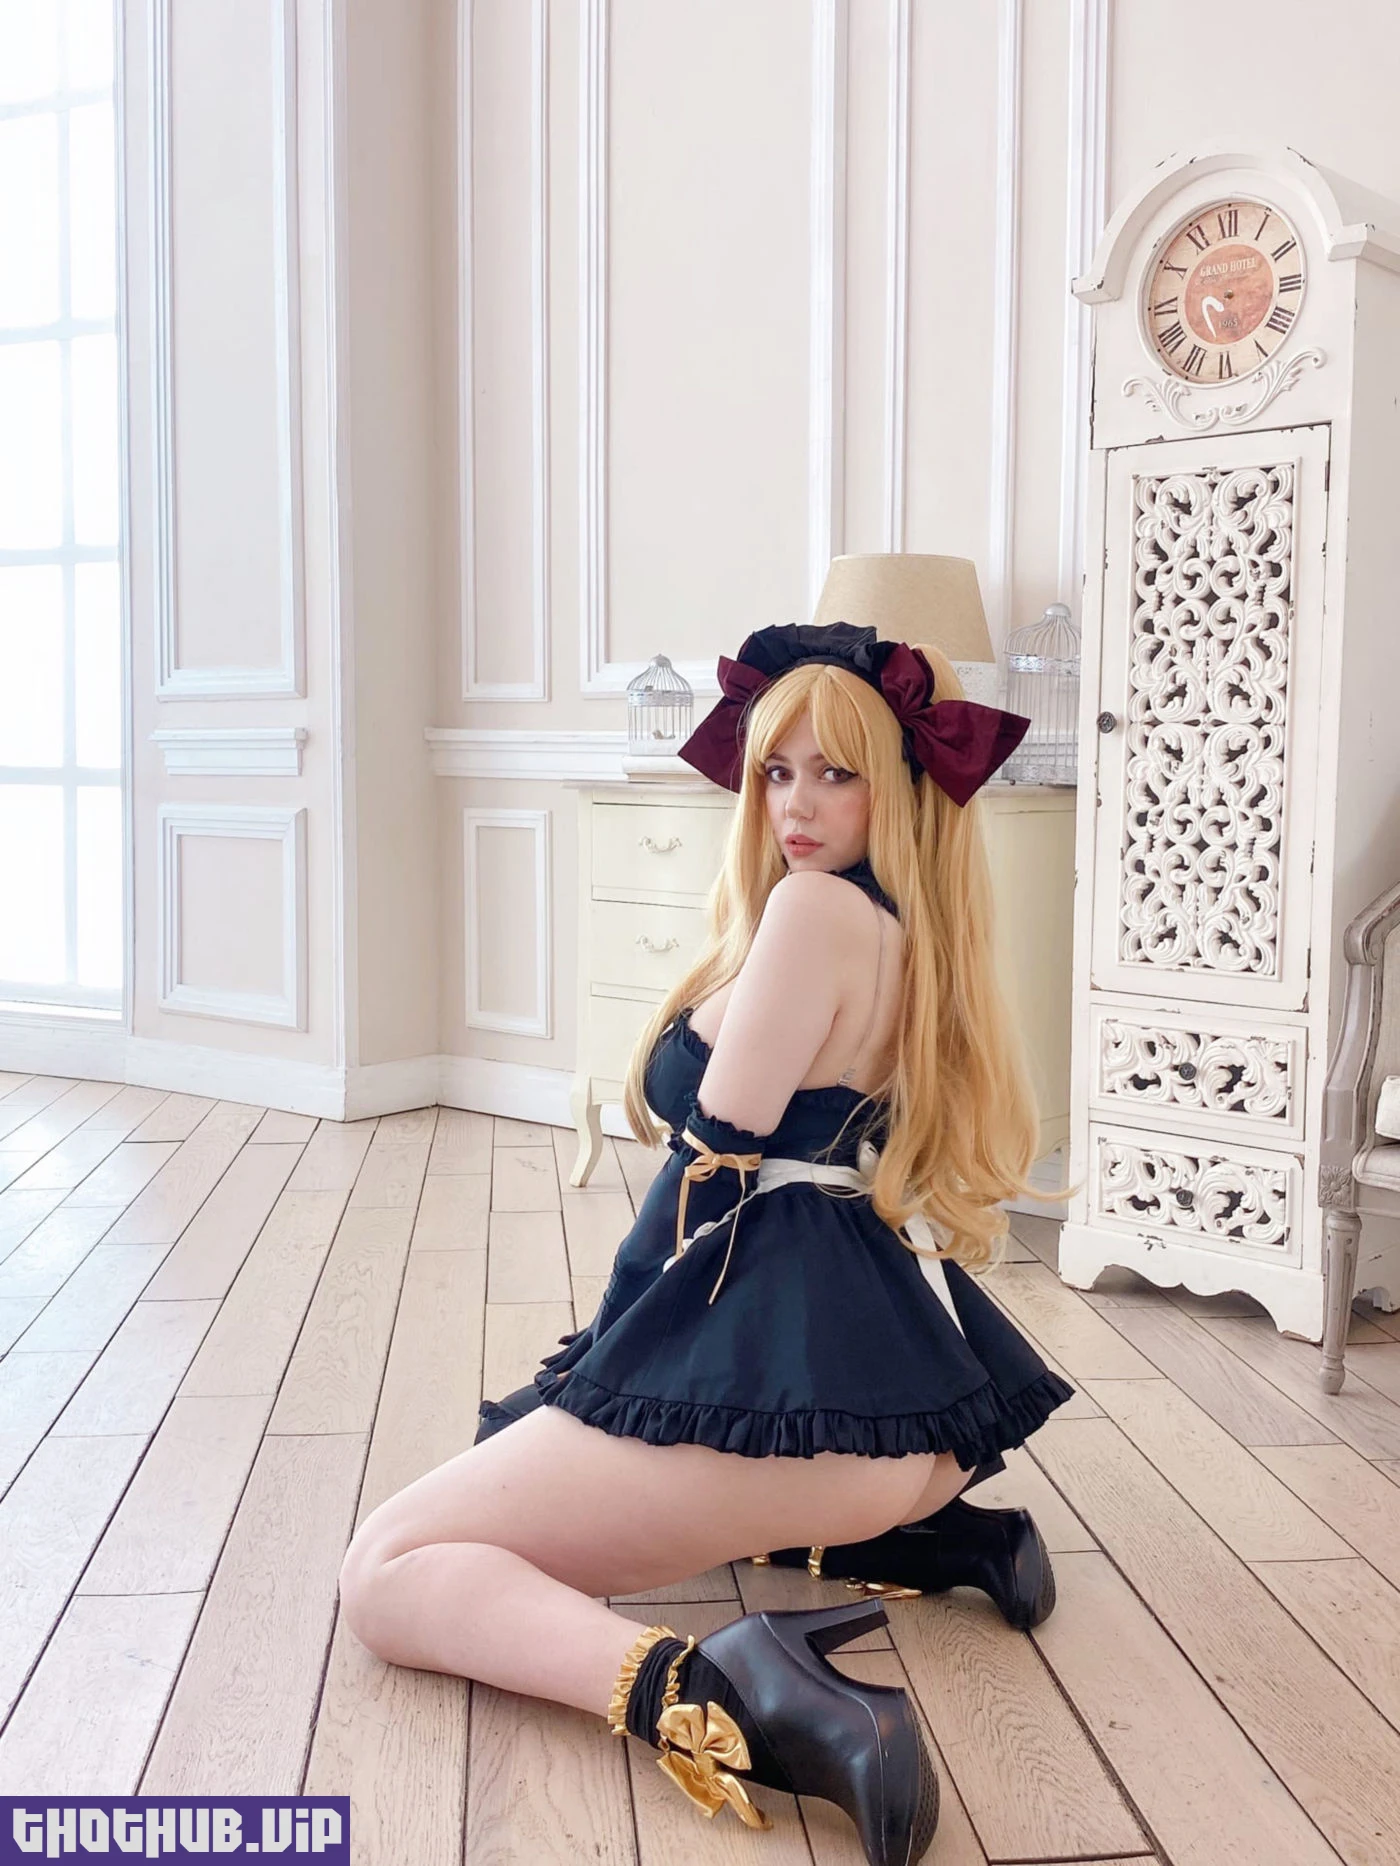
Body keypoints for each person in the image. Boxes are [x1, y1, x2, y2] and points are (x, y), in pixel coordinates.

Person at [339, 620, 1077, 1866]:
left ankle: (734, 1690)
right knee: (509, 1475)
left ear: (898, 784)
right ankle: (936, 1539)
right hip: (898, 1439)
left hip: (803, 1409)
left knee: (390, 1565)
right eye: (775, 770)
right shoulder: (910, 929)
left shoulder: (811, 911)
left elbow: (710, 1164)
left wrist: (604, 1363)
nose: (794, 805)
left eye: (835, 773)